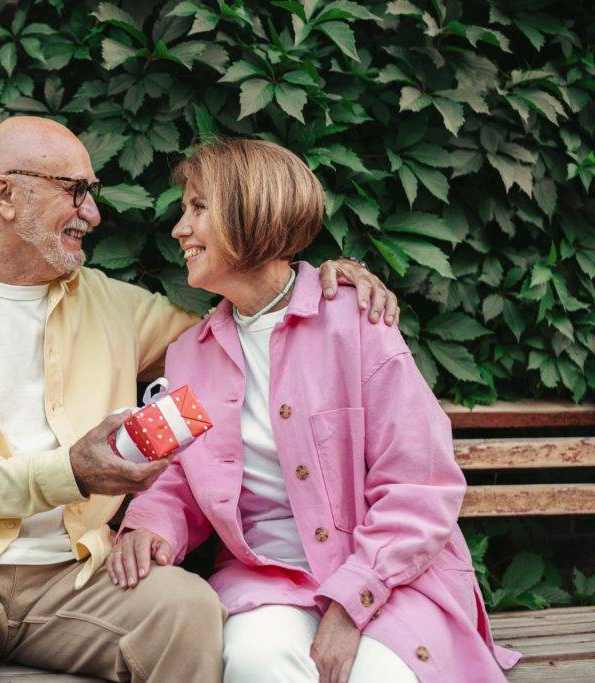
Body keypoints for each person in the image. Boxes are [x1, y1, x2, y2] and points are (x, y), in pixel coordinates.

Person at [0, 117, 398, 682]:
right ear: (6, 195)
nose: (92, 213)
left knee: (187, 610)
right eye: (75, 191)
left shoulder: (111, 304)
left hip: (77, 572)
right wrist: (69, 473)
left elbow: (242, 326)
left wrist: (324, 284)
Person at [109, 138, 520, 683]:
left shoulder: (355, 322)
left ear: (250, 212)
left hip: (391, 577)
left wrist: (351, 603)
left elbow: (420, 486)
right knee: (256, 664)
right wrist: (150, 524)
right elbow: (178, 478)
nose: (178, 228)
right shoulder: (190, 354)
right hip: (268, 582)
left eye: (198, 208)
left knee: (375, 676)